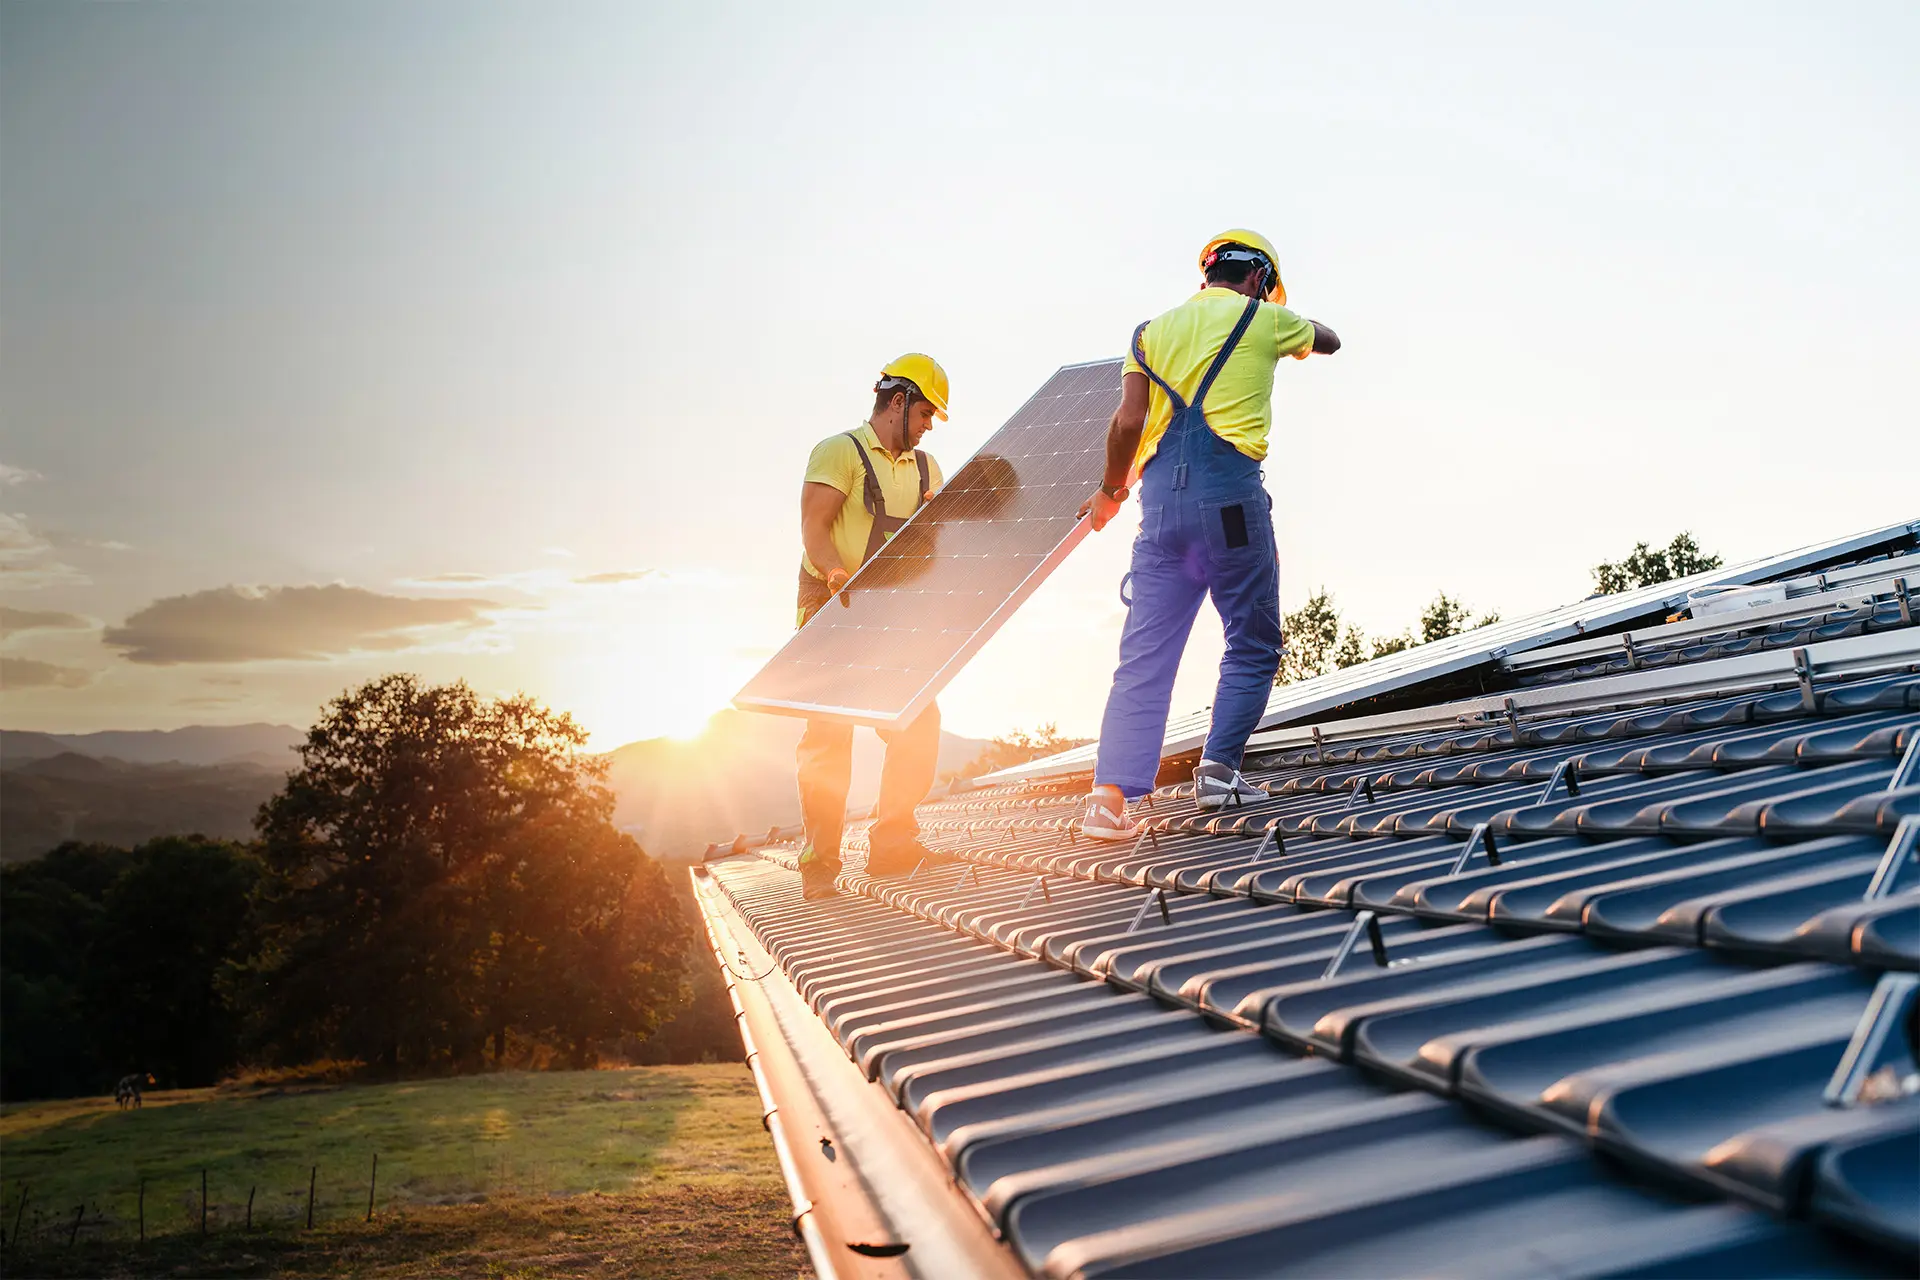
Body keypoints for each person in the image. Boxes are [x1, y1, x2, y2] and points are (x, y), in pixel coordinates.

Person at [1077, 230, 1340, 839]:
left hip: (1160, 507)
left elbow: (1127, 422)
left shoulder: (1148, 334)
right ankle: (1219, 773)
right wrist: (1280, 312)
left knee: (1143, 656)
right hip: (1230, 505)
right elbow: (1329, 340)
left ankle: (1106, 801)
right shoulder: (1266, 318)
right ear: (1257, 279)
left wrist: (1111, 490)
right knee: (1251, 637)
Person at [794, 354, 951, 898]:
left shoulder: (927, 469)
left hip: (889, 620)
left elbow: (934, 546)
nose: (929, 425)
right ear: (899, 400)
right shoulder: (840, 451)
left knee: (917, 720)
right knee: (829, 738)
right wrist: (837, 573)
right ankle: (820, 863)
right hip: (830, 612)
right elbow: (814, 529)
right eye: (926, 412)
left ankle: (892, 847)